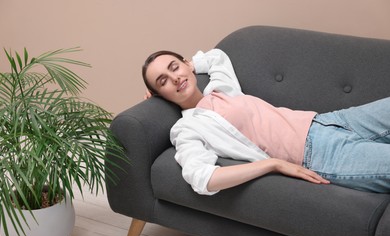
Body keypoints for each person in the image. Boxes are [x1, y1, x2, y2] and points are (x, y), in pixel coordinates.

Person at [142, 48, 390, 195]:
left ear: (186, 65)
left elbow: (217, 57)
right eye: (162, 81)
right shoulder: (186, 128)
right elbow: (202, 178)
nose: (174, 78)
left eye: (175, 67)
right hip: (320, 155)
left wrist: (193, 64)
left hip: (328, 121)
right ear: (158, 95)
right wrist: (272, 165)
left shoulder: (221, 88)